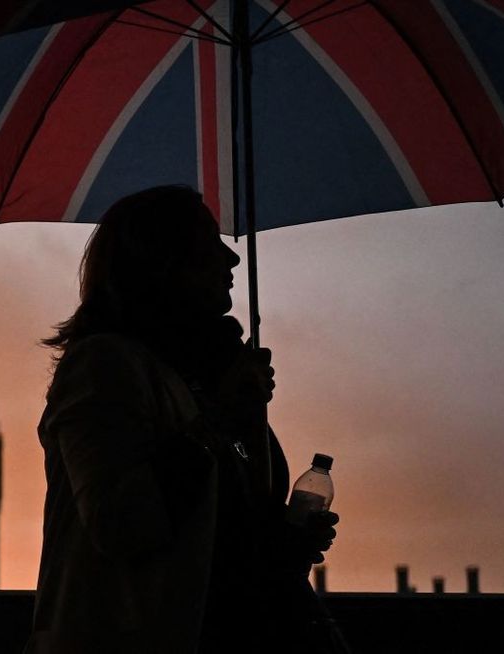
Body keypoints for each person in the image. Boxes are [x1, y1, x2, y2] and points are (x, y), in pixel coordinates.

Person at [24, 186, 345, 654]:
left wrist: (284, 543)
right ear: (163, 260)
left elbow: (227, 536)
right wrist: (218, 415)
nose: (231, 259)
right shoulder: (105, 364)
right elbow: (121, 522)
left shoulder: (208, 373)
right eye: (209, 241)